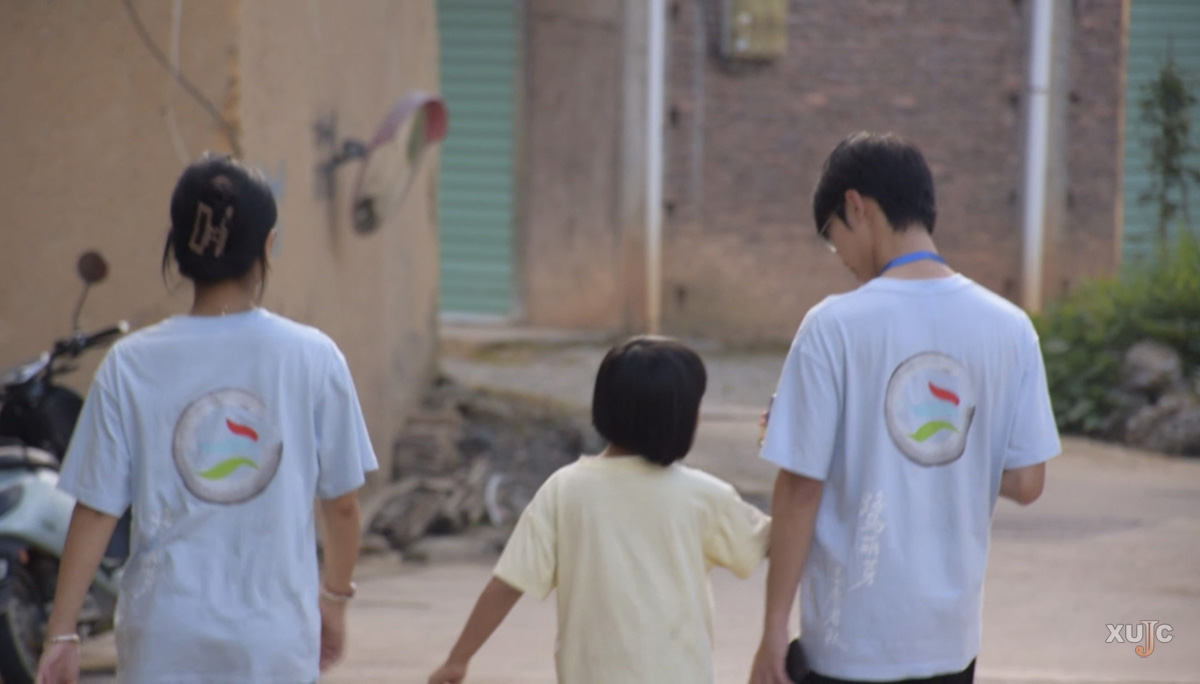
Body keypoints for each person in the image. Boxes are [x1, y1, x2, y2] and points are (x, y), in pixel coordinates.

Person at [36, 153, 378, 683]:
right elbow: (342, 506)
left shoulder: (130, 363)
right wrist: (334, 599)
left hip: (163, 640)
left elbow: (97, 510)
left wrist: (62, 633)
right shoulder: (314, 358)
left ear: (176, 249)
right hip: (274, 643)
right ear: (268, 246)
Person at [749, 132, 1060, 684]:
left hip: (850, 646)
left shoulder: (832, 327)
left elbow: (800, 489)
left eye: (833, 240)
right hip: (951, 643)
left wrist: (774, 628)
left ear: (855, 207)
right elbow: (1027, 481)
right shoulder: (1011, 328)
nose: (843, 260)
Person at [429, 336, 771, 684]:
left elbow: (508, 582)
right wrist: (780, 445)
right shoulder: (706, 496)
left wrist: (458, 659)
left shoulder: (565, 488)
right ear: (680, 419)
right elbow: (774, 540)